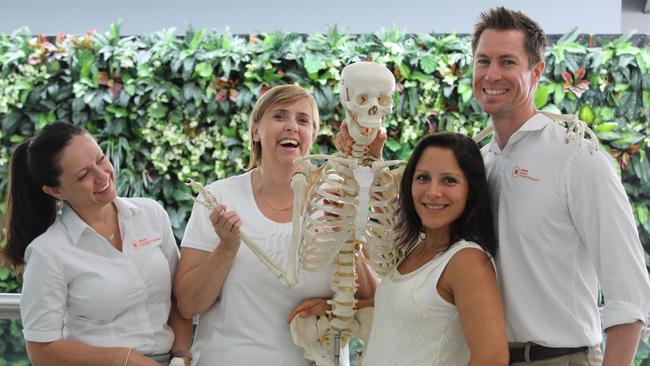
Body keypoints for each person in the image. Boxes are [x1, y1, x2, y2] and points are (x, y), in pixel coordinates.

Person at [472, 7, 650, 365]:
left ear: (535, 72)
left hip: (562, 358)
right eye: (483, 61)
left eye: (507, 62)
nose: (492, 74)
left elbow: (629, 292)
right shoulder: (477, 163)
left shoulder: (577, 157)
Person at [173, 84, 377, 365]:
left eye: (303, 120)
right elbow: (187, 304)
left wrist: (347, 240)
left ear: (312, 135)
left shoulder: (337, 200)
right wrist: (227, 248)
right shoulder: (219, 198)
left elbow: (375, 300)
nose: (292, 126)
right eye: (280, 116)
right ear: (256, 131)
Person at [0, 121, 193, 366]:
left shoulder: (151, 214)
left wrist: (181, 354)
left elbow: (180, 297)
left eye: (101, 159)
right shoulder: (47, 252)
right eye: (83, 175)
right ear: (55, 191)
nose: (103, 176)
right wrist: (122, 359)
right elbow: (41, 351)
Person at [362, 132, 508, 365]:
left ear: (470, 190)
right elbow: (407, 314)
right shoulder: (415, 249)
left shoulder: (467, 260)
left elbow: (492, 358)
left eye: (449, 180)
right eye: (423, 178)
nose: (433, 192)